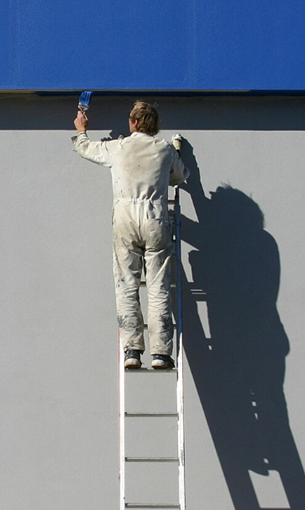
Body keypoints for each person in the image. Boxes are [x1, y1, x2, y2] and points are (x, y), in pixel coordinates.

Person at [72, 101, 189, 369]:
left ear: (135, 123)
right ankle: (160, 353)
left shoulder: (119, 147)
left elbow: (86, 148)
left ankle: (132, 350)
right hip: (155, 216)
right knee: (158, 287)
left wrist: (81, 130)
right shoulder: (164, 149)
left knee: (127, 284)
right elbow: (180, 176)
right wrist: (176, 154)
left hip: (125, 218)